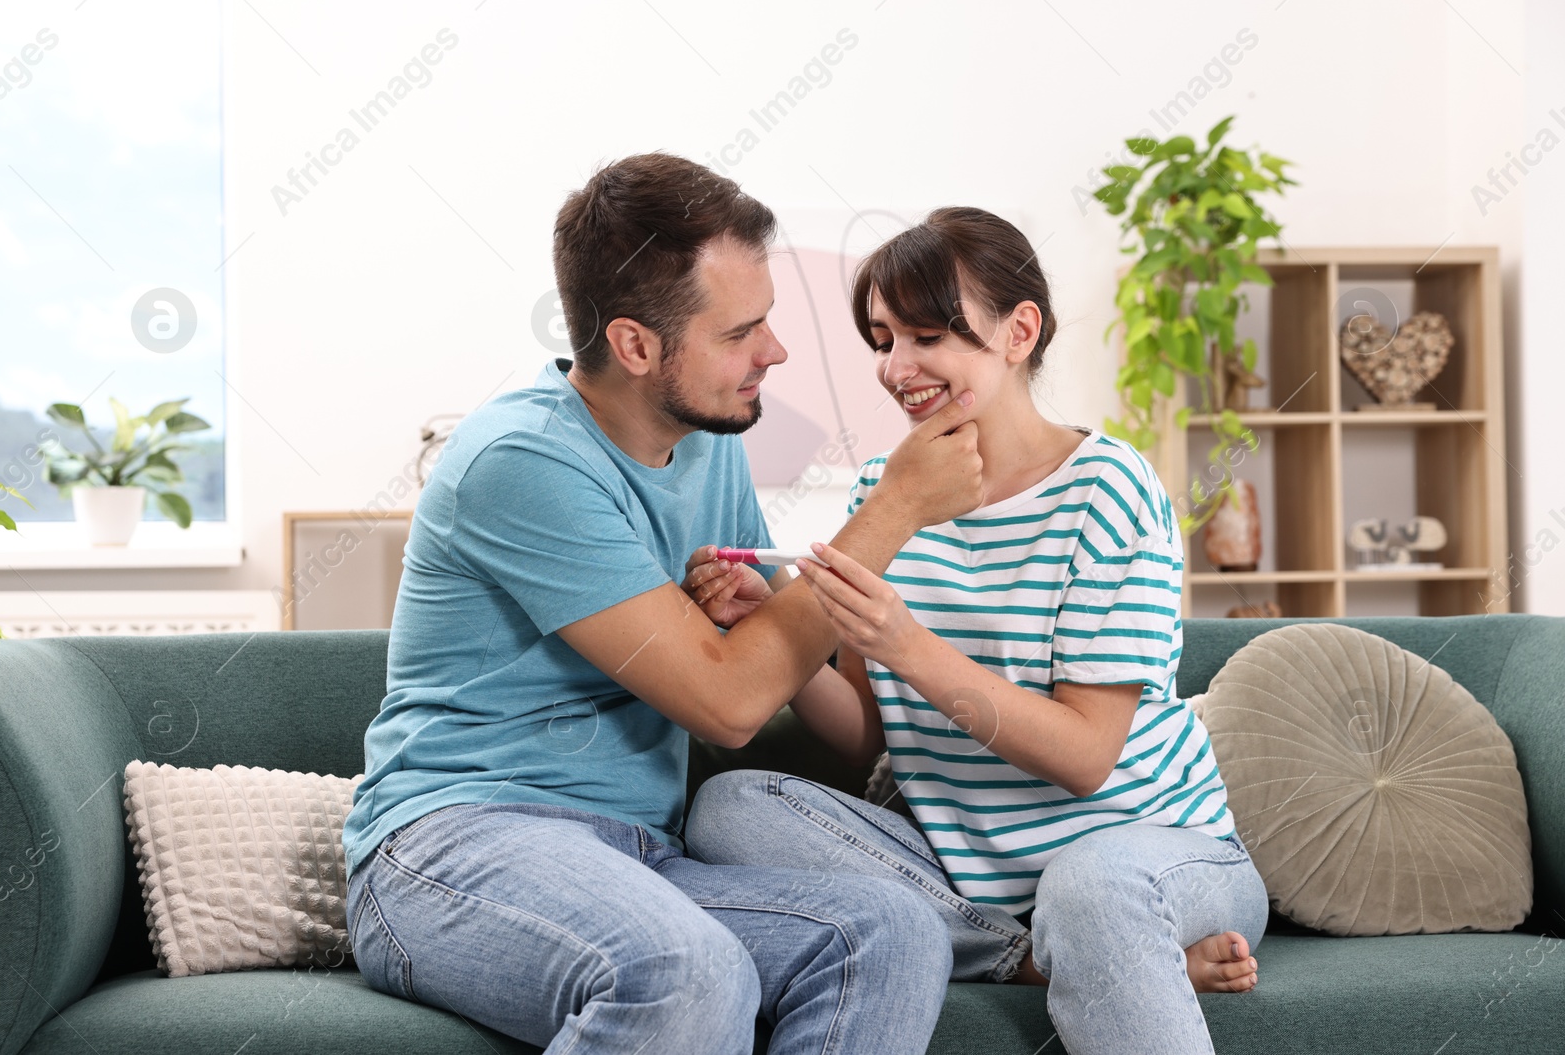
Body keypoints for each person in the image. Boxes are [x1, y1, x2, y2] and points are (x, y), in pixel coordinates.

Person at [339, 154, 985, 1055]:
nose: (776, 351)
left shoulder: (707, 438)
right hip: (453, 845)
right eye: (741, 332)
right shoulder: (521, 460)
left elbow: (759, 671)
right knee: (685, 969)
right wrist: (898, 508)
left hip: (636, 852)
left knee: (889, 932)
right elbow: (728, 700)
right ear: (637, 345)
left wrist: (756, 616)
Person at [682, 207, 1270, 1055]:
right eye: (883, 339)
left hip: (1153, 852)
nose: (898, 367)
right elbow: (863, 733)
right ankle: (1027, 957)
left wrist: (903, 640)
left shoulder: (1110, 489)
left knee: (1088, 886)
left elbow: (1083, 757)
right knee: (732, 808)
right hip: (972, 881)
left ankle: (1079, 941)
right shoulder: (887, 492)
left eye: (928, 336)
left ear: (1018, 331)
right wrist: (777, 609)